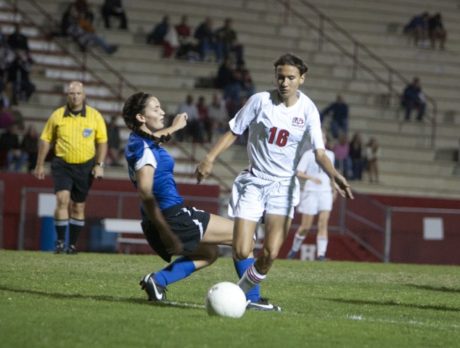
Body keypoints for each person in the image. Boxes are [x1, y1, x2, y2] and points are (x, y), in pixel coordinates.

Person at [196, 53, 353, 302]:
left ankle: (243, 295)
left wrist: (334, 175)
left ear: (302, 79)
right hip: (255, 181)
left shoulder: (309, 110)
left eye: (290, 77)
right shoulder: (260, 101)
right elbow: (233, 131)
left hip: (283, 186)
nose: (284, 82)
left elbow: (320, 153)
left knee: (269, 254)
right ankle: (247, 297)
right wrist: (210, 158)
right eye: (280, 77)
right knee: (240, 249)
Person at [122, 92, 279, 311]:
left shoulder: (139, 142)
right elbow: (145, 194)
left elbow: (152, 140)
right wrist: (165, 229)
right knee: (243, 237)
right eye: (156, 108)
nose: (163, 112)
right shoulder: (144, 149)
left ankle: (157, 280)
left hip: (163, 217)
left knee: (209, 253)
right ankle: (251, 297)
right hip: (170, 217)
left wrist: (173, 129)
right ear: (141, 117)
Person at [33, 81, 108, 254]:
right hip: (62, 164)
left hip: (85, 166)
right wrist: (39, 164)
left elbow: (102, 142)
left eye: (78, 93)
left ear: (84, 95)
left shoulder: (95, 116)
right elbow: (45, 139)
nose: (75, 96)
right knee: (62, 200)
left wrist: (99, 165)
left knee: (78, 207)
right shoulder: (57, 115)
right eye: (72, 93)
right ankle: (59, 242)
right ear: (67, 95)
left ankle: (72, 245)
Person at [287, 131, 336, 260]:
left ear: (325, 140)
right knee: (306, 227)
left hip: (325, 192)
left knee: (323, 223)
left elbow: (332, 174)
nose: (322, 140)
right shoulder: (308, 155)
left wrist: (334, 189)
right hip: (311, 192)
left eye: (323, 138)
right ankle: (294, 250)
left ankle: (321, 255)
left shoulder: (330, 155)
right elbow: (299, 172)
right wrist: (312, 178)